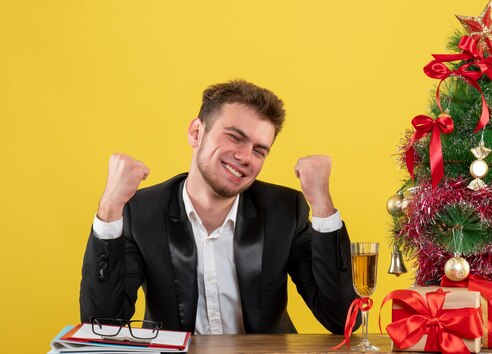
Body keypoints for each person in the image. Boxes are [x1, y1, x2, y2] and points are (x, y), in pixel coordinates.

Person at [79, 80, 358, 335]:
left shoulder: (285, 211)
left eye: (259, 150)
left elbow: (342, 320)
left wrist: (322, 204)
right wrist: (110, 208)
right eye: (235, 137)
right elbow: (102, 326)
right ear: (196, 132)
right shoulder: (140, 212)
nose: (245, 157)